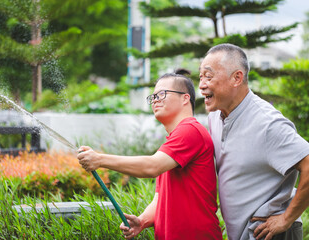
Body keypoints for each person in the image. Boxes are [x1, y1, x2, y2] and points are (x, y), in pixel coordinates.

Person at [77, 69, 222, 240]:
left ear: (185, 98)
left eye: (162, 94)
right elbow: (160, 200)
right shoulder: (171, 144)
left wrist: (100, 159)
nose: (155, 101)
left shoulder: (190, 131)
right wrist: (142, 221)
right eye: (153, 97)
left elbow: (151, 167)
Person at [199, 43, 309, 240]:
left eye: (209, 76)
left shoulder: (268, 124)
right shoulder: (215, 117)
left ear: (237, 78)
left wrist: (286, 219)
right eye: (200, 77)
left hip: (272, 234)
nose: (201, 85)